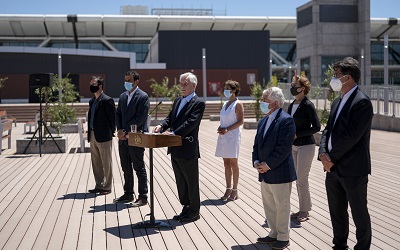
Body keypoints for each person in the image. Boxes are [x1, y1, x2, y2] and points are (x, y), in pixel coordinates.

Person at [319, 57, 373, 250]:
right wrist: (323, 153)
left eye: (337, 75)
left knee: (359, 212)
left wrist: (330, 158)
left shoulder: (362, 103)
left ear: (348, 77)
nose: (334, 78)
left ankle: (362, 247)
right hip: (332, 168)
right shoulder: (337, 101)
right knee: (337, 211)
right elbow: (327, 131)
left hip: (352, 168)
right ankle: (339, 245)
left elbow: (352, 137)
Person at [153, 72, 205, 223]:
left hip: (187, 148)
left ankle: (194, 211)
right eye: (181, 83)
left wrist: (174, 133)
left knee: (191, 181)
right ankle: (186, 207)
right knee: (181, 181)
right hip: (174, 148)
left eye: (185, 83)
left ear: (194, 86)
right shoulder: (177, 101)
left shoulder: (198, 103)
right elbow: (170, 118)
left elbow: (191, 123)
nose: (181, 86)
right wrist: (161, 126)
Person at [253, 87, 296, 250]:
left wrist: (268, 164)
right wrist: (256, 161)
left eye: (265, 100)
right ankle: (274, 232)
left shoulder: (286, 120)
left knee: (282, 204)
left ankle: (283, 237)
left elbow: (284, 148)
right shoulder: (263, 121)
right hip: (264, 171)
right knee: (269, 204)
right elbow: (256, 145)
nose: (262, 103)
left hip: (279, 171)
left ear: (275, 103)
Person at [288, 75, 321, 222]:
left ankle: (304, 210)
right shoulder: (292, 104)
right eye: (292, 84)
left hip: (306, 146)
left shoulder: (308, 105)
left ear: (302, 88)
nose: (292, 86)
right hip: (293, 146)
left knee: (302, 178)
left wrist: (298, 134)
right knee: (297, 179)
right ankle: (303, 207)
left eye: (295, 84)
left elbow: (317, 127)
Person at [115, 70, 150, 207]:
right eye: (125, 80)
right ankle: (128, 193)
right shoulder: (123, 96)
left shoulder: (143, 97)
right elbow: (118, 114)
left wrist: (126, 130)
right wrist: (119, 130)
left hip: (136, 137)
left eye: (129, 80)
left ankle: (143, 196)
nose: (127, 83)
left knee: (139, 167)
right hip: (123, 138)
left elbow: (140, 118)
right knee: (125, 167)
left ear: (136, 81)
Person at [215, 80, 244, 201]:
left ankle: (235, 190)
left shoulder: (238, 104)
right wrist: (221, 127)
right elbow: (224, 119)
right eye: (225, 88)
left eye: (228, 88)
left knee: (233, 163)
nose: (225, 91)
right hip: (223, 136)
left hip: (232, 136)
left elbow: (240, 121)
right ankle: (227, 188)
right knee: (226, 163)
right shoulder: (225, 104)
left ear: (234, 90)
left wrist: (227, 129)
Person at [87, 76, 116, 195]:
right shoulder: (91, 101)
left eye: (93, 83)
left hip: (104, 136)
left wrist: (111, 132)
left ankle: (107, 186)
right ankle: (99, 185)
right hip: (93, 134)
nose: (91, 86)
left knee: (106, 162)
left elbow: (112, 119)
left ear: (100, 86)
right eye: (90, 83)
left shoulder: (107, 100)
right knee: (96, 162)